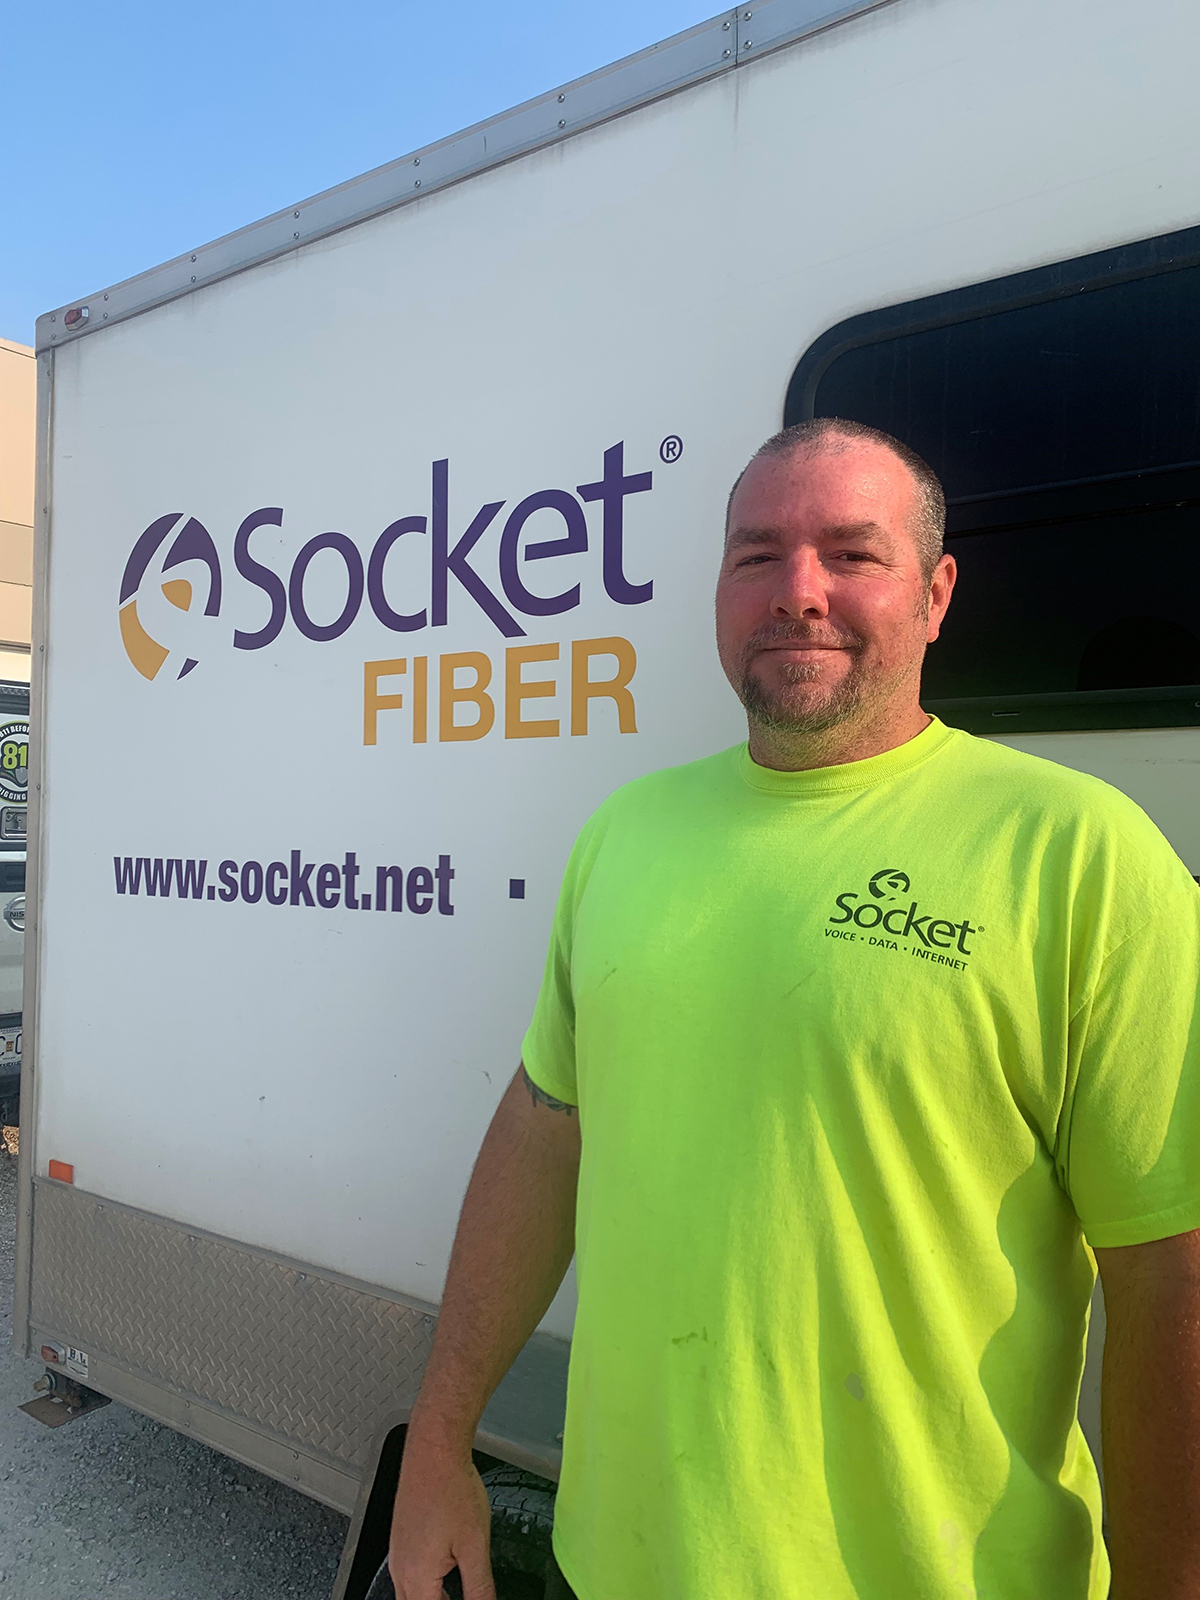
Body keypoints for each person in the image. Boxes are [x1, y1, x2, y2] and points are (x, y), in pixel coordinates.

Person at [389, 418, 1200, 1600]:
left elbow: (1170, 1272)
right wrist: (437, 1436)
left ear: (936, 591)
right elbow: (542, 1129)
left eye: (852, 554)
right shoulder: (625, 833)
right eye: (757, 555)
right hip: (612, 1568)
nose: (798, 592)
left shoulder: (1083, 856)